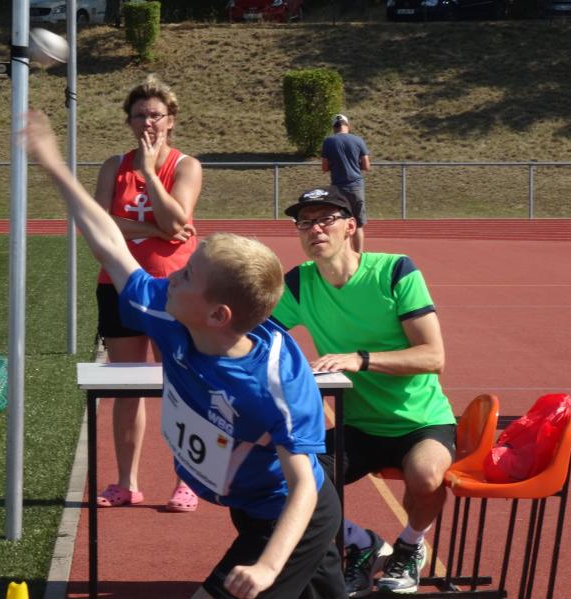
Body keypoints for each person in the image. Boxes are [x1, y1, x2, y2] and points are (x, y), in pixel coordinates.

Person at [23, 111, 345, 599]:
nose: (172, 275)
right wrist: (52, 164)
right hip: (250, 506)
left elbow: (303, 485)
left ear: (217, 314)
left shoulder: (275, 381)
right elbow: (110, 246)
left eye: (188, 274)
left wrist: (265, 568)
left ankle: (348, 544)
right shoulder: (169, 312)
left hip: (291, 517)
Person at [271, 186, 456, 596]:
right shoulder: (299, 283)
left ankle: (410, 545)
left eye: (326, 219)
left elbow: (433, 355)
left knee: (426, 475)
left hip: (420, 421)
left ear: (350, 226)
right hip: (358, 425)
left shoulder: (395, 271)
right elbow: (259, 334)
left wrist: (361, 358)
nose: (315, 229)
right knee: (286, 475)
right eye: (305, 222)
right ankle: (360, 542)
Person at [95, 76, 203, 511]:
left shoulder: (186, 166)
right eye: (139, 115)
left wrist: (149, 174)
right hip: (119, 286)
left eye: (155, 115)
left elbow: (177, 221)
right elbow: (98, 225)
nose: (147, 122)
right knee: (127, 388)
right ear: (129, 121)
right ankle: (126, 483)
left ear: (170, 120)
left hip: (172, 289)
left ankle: (187, 480)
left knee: (181, 385)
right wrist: (156, 229)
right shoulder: (112, 166)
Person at [321, 114, 371, 253]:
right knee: (358, 225)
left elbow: (324, 167)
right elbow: (366, 166)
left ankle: (343, 254)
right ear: (347, 125)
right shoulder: (358, 140)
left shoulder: (328, 141)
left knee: (341, 223)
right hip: (356, 186)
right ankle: (358, 255)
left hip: (338, 188)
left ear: (334, 127)